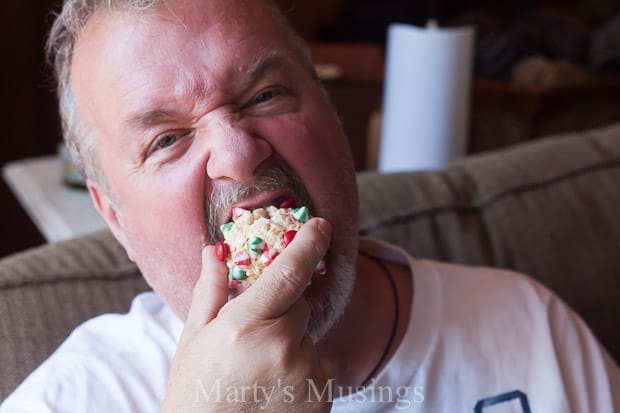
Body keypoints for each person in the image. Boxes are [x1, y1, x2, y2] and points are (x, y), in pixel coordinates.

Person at [2, 0, 619, 411]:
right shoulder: (73, 399)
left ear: (334, 119)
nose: (237, 153)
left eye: (265, 93)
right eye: (167, 139)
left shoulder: (532, 328)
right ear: (116, 220)